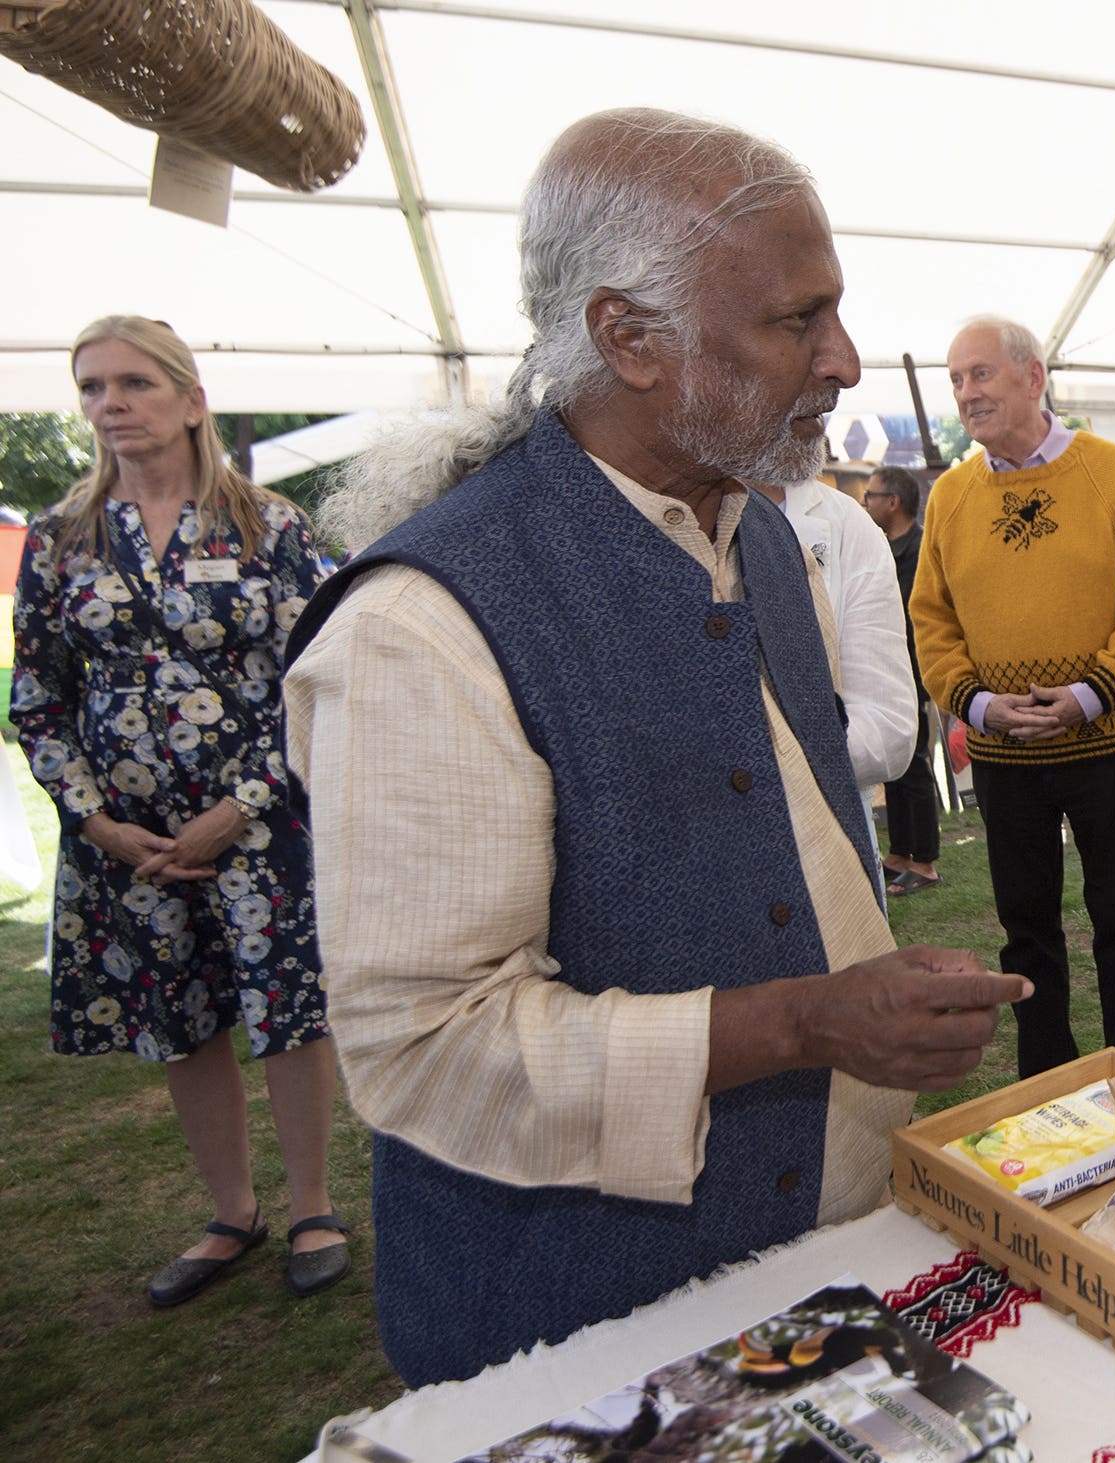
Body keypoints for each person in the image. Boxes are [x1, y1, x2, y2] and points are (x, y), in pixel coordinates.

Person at [283, 109, 1028, 1386]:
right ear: (627, 337)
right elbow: (429, 1047)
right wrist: (807, 1018)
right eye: (798, 320)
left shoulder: (769, 540)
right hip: (584, 1331)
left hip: (816, 1262)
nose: (843, 360)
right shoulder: (423, 624)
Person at [12, 315, 347, 1306]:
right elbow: (36, 692)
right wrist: (95, 818)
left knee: (285, 1013)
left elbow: (316, 677)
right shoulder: (59, 539)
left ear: (191, 400)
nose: (107, 404)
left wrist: (237, 806)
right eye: (89, 388)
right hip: (130, 840)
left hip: (256, 824)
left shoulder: (268, 527)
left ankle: (314, 1204)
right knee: (180, 1019)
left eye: (131, 383)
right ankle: (230, 1211)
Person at [908, 315, 1115, 1078]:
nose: (965, 393)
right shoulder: (951, 496)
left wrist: (1092, 693)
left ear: (1034, 376)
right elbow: (931, 617)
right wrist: (979, 704)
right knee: (1026, 933)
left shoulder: (1111, 469)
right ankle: (1046, 1088)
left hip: (1111, 742)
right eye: (956, 379)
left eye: (980, 374)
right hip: (1002, 754)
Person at [753, 468, 917, 902]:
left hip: (831, 834)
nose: (833, 396)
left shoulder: (846, 523)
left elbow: (888, 734)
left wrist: (749, 770)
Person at [864, 465, 941, 893]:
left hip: (913, 668)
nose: (866, 503)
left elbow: (915, 615)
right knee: (895, 761)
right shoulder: (882, 547)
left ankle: (926, 862)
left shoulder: (921, 548)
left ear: (892, 502)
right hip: (887, 668)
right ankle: (900, 851)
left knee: (913, 764)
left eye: (871, 496)